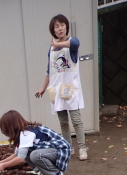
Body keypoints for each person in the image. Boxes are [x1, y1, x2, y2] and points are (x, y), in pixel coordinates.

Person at [35, 13, 87, 161]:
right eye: (56, 26)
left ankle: (82, 148)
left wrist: (58, 45)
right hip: (57, 91)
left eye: (62, 25)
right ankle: (68, 148)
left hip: (72, 90)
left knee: (76, 120)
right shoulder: (51, 50)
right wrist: (43, 88)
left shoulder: (72, 43)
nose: (60, 28)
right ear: (53, 30)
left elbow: (75, 44)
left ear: (66, 27)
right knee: (63, 123)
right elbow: (49, 71)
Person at [0, 110, 71, 175]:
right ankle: (45, 173)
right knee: (27, 152)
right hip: (50, 150)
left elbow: (20, 159)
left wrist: (4, 165)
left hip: (61, 150)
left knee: (35, 155)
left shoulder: (26, 133)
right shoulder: (22, 133)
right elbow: (17, 154)